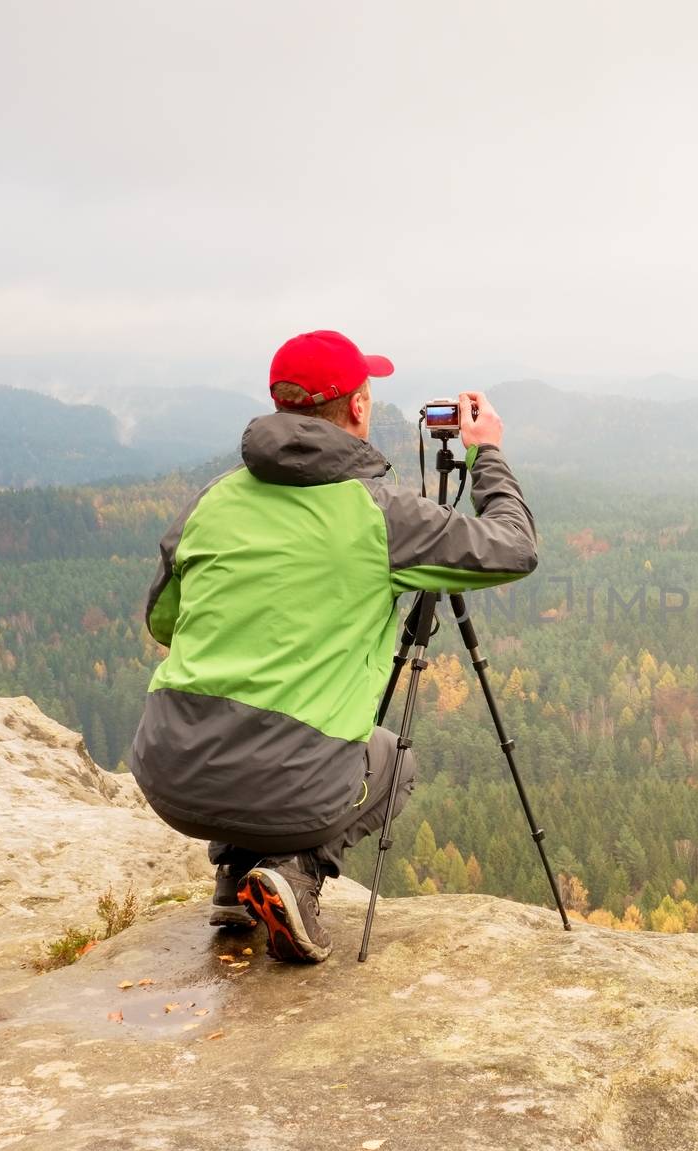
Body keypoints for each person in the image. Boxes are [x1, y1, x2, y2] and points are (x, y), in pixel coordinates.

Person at [129, 330, 537, 963]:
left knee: (259, 736)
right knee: (393, 759)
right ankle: (295, 872)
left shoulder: (210, 501)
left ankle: (235, 881)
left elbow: (163, 624)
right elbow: (513, 547)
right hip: (292, 788)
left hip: (168, 774)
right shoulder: (381, 515)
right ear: (357, 409)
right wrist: (488, 456)